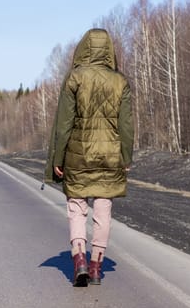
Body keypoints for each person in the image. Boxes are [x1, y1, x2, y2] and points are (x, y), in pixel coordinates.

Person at [44, 28, 134, 287]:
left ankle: (79, 261)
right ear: (108, 50)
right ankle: (96, 266)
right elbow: (126, 125)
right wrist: (126, 156)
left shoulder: (75, 78)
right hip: (109, 155)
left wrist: (57, 158)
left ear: (84, 48)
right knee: (103, 209)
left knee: (77, 208)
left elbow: (64, 123)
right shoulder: (120, 81)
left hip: (78, 153)